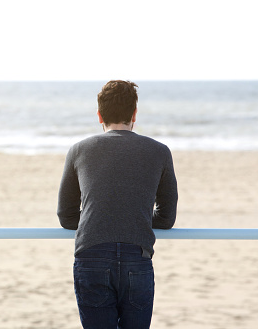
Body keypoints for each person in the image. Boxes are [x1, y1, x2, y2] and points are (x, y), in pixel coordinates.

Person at [57, 80, 178, 329]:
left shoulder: (79, 150)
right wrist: (131, 217)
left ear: (99, 115)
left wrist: (103, 216)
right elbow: (166, 218)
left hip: (91, 255)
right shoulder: (160, 151)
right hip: (137, 256)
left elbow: (66, 216)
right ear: (134, 114)